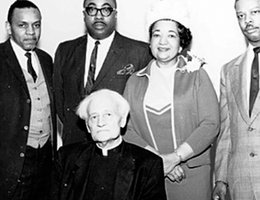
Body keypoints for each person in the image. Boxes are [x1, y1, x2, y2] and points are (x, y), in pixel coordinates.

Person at [123, 0, 220, 199]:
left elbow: (211, 124)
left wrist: (175, 158)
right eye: (156, 35)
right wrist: (159, 162)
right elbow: (127, 129)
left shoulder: (197, 75)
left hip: (191, 175)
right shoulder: (134, 81)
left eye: (171, 35)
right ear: (149, 41)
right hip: (149, 175)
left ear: (181, 42)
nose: (163, 42)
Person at [53, 0, 152, 146]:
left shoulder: (139, 52)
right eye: (92, 9)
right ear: (84, 14)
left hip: (120, 147)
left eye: (106, 9)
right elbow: (59, 101)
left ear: (115, 14)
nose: (98, 16)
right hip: (75, 146)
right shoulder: (65, 50)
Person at [51, 89, 167, 200]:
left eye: (108, 115)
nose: (100, 123)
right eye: (94, 117)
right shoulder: (67, 158)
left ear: (122, 121)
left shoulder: (148, 165)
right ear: (88, 126)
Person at [0, 1, 56, 200]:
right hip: (10, 164)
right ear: (8, 27)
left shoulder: (46, 60)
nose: (31, 32)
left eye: (36, 25)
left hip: (45, 161)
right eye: (22, 25)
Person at [213, 0, 260, 199]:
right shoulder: (228, 70)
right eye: (241, 16)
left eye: (255, 12)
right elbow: (227, 130)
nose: (247, 21)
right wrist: (221, 179)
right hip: (241, 183)